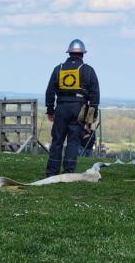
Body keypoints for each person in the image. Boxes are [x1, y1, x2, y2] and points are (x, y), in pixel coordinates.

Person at [45, 39, 100, 176]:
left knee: (57, 140)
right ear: (82, 54)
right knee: (73, 142)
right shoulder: (88, 70)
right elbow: (95, 94)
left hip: (61, 107)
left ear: (69, 53)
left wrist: (50, 110)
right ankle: (69, 171)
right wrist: (92, 113)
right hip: (79, 109)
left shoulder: (58, 69)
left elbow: (50, 91)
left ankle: (52, 172)